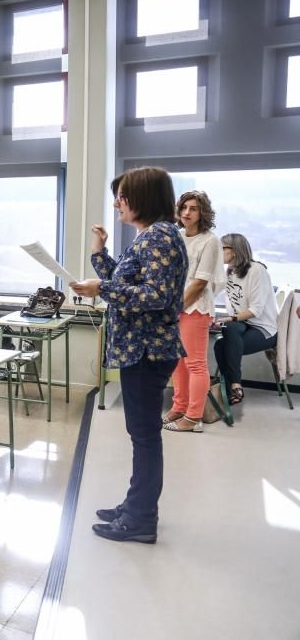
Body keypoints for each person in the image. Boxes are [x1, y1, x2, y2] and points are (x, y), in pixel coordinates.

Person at [71, 166, 187, 544]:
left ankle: (140, 518)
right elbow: (124, 279)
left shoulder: (160, 237)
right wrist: (99, 254)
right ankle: (136, 506)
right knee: (142, 435)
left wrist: (101, 288)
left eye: (122, 196)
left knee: (145, 437)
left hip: (147, 350)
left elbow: (156, 296)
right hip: (142, 349)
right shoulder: (151, 236)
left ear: (144, 197)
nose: (117, 203)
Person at [164, 191, 223, 433]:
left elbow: (200, 282)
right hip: (174, 307)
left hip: (196, 308)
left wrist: (176, 307)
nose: (187, 212)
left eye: (194, 208)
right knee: (177, 362)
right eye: (184, 207)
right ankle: (180, 407)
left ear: (203, 213)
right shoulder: (176, 237)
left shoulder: (210, 241)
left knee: (195, 364)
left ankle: (193, 417)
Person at [212, 233, 278, 407]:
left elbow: (256, 310)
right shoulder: (229, 272)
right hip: (241, 326)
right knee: (229, 330)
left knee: (222, 344)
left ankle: (230, 387)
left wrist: (226, 318)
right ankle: (235, 386)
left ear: (234, 250)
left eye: (222, 248)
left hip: (264, 329)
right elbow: (211, 291)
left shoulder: (257, 271)